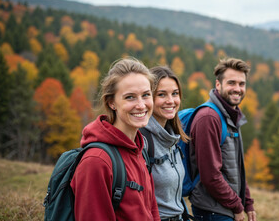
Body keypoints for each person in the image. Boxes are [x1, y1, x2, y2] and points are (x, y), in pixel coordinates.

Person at [70, 57, 160, 221]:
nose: (141, 105)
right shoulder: (97, 161)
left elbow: (152, 210)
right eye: (130, 97)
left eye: (146, 95)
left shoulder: (140, 150)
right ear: (112, 103)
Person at [189, 57, 256, 221]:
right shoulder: (209, 118)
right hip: (212, 210)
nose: (238, 89)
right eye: (231, 83)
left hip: (225, 207)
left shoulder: (232, 116)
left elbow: (237, 167)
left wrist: (248, 203)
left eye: (242, 84)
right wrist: (237, 206)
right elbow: (210, 175)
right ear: (218, 85)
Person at [141, 66, 189, 221]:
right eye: (162, 94)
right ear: (148, 98)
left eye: (175, 94)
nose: (171, 101)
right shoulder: (142, 140)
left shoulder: (171, 137)